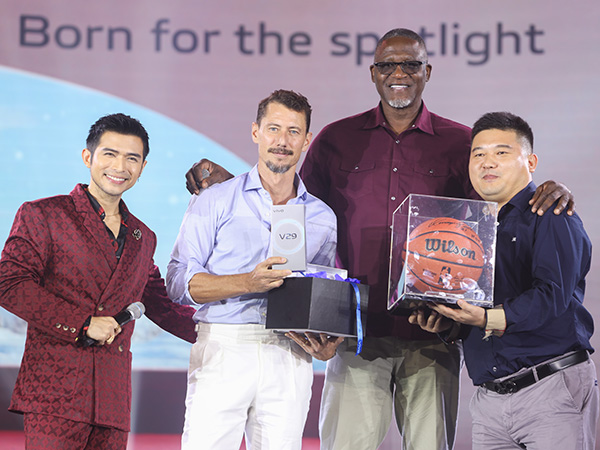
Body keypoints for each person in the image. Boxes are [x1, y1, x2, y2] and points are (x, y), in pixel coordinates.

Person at [185, 29, 575, 450]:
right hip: (355, 335)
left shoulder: (462, 144)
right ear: (373, 73)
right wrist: (233, 184)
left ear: (427, 71)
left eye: (410, 64)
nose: (399, 74)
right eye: (387, 65)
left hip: (432, 335)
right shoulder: (336, 140)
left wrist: (544, 187)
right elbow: (291, 203)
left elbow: (498, 198)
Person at [0, 113, 198, 450]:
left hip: (112, 401)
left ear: (143, 167)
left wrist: (230, 331)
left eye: (131, 158)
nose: (120, 166)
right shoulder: (44, 215)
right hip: (54, 395)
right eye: (110, 154)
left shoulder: (143, 237)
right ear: (88, 157)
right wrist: (82, 324)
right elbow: (9, 283)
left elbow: (163, 307)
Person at [409, 111, 598, 449]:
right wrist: (448, 324)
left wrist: (485, 318)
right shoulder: (468, 231)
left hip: (550, 388)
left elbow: (551, 296)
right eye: (478, 154)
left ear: (531, 161)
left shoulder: (552, 214)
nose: (487, 163)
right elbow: (476, 306)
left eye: (501, 152)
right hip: (489, 401)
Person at [166, 89, 340, 450]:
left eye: (294, 131)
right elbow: (179, 281)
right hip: (224, 346)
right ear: (255, 132)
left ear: (307, 140)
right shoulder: (214, 199)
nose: (282, 141)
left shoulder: (322, 217)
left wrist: (324, 345)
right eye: (273, 128)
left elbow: (318, 295)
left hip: (289, 354)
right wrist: (249, 281)